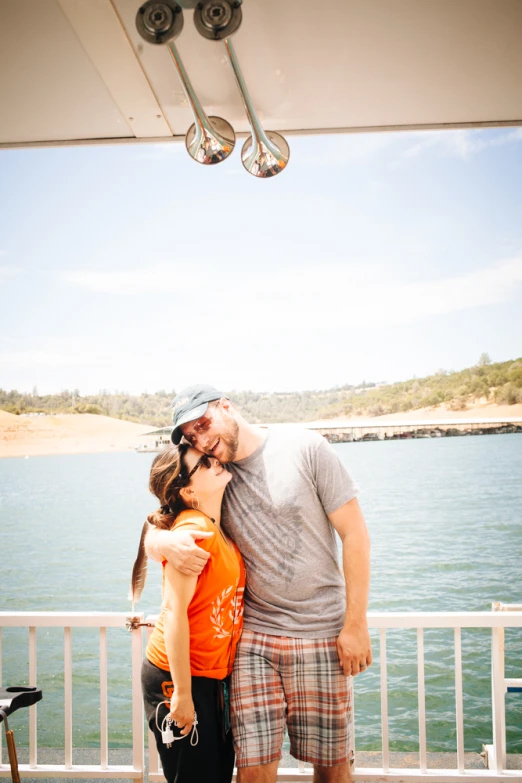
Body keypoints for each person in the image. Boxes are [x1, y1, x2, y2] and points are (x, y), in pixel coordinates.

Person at [146, 384, 372, 783]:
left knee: (334, 769)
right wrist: (157, 540)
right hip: (253, 642)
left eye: (203, 424)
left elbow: (355, 535)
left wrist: (355, 624)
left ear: (227, 407)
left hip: (321, 632)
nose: (201, 439)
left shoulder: (306, 448)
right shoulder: (217, 477)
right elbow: (170, 512)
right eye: (191, 436)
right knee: (251, 772)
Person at [133, 442, 246, 783]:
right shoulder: (191, 534)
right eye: (205, 463)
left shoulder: (214, 526)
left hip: (209, 677)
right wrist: (182, 693)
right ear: (187, 490)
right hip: (178, 677)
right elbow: (174, 611)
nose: (215, 462)